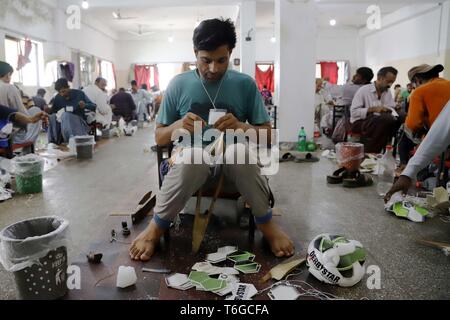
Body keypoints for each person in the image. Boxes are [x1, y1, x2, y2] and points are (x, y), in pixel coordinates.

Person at [129, 18, 294, 262]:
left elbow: (268, 136)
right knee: (196, 156)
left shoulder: (245, 84)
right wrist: (177, 125)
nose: (214, 68)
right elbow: (159, 137)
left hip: (234, 171)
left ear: (230, 53)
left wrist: (240, 126)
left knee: (238, 152)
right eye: (206, 60)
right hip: (187, 169)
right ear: (195, 53)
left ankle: (267, 225)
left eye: (221, 60)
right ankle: (155, 228)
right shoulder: (178, 84)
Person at [385, 101, 450, 202]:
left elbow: (412, 124)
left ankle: (403, 164)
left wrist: (408, 172)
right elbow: (439, 134)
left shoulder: (418, 93)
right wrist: (408, 173)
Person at [350, 66, 402, 153]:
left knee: (402, 116)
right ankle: (370, 153)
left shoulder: (387, 91)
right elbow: (354, 112)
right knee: (385, 120)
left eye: (392, 82)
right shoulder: (363, 90)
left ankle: (394, 152)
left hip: (378, 121)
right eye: (388, 81)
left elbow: (390, 106)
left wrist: (395, 107)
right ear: (379, 78)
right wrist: (374, 109)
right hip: (359, 122)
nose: (390, 85)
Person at [0, 61, 43, 145]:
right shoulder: (9, 87)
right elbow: (21, 113)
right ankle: (26, 144)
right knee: (36, 110)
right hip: (6, 133)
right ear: (8, 74)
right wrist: (31, 119)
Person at [47, 78, 96, 145]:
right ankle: (54, 142)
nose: (62, 94)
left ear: (68, 87)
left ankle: (70, 141)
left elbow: (93, 106)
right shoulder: (58, 97)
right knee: (52, 117)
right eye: (60, 92)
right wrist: (48, 110)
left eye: (63, 91)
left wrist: (85, 105)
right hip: (62, 123)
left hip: (79, 121)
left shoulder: (80, 94)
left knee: (66, 115)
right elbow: (53, 111)